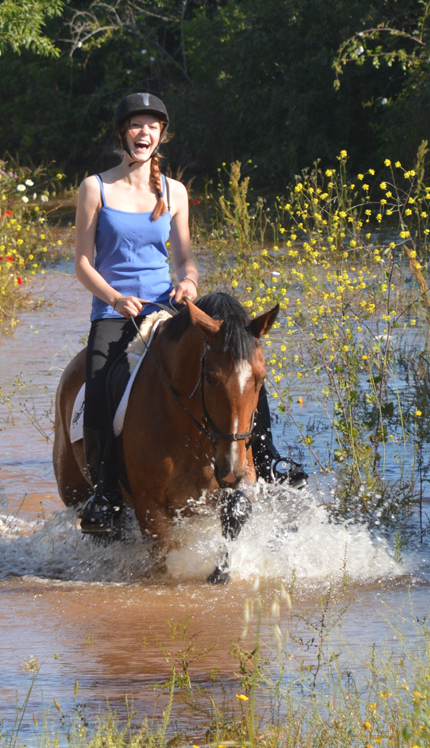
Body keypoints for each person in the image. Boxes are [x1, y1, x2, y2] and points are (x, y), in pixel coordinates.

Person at [73, 92, 303, 536]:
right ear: (123, 133)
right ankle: (104, 489)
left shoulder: (174, 190)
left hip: (168, 305)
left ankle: (268, 458)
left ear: (161, 135)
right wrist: (116, 297)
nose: (144, 133)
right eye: (136, 125)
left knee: (240, 361)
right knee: (100, 380)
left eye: (151, 126)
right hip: (115, 311)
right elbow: (82, 263)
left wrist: (189, 283)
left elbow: (185, 258)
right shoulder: (94, 187)